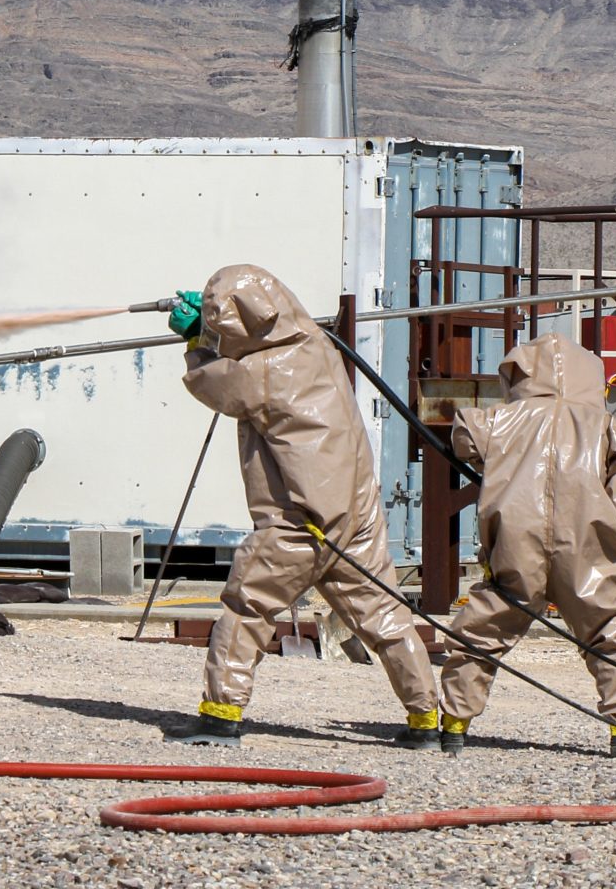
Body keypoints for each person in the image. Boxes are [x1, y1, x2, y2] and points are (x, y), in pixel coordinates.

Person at [164, 265, 445, 745]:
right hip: (354, 521)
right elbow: (246, 349)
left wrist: (196, 339)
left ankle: (219, 718)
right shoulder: (317, 347)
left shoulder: (263, 372)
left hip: (300, 524)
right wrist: (215, 327)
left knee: (246, 609)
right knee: (386, 618)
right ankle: (426, 722)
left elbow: (212, 384)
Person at [435, 333, 616, 758]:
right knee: (607, 629)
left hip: (514, 543)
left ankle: (454, 724)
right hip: (587, 548)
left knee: (483, 630)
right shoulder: (603, 426)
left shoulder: (498, 420)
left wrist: (499, 461)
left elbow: (465, 435)